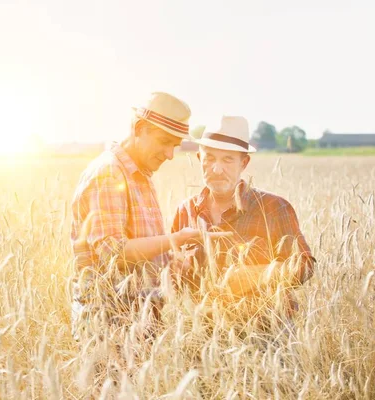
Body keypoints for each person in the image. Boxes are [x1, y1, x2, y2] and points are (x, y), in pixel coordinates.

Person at [70, 92, 200, 343]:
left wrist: (171, 261)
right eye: (165, 142)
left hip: (140, 317)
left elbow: (140, 248)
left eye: (175, 146)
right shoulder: (109, 173)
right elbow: (114, 253)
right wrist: (173, 239)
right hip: (109, 324)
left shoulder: (140, 175)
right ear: (139, 128)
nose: (170, 154)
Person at [171, 116, 315, 326]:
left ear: (244, 163)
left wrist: (256, 275)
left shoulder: (274, 208)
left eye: (227, 160)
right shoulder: (185, 211)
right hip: (201, 336)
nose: (217, 169)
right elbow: (171, 272)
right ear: (198, 157)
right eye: (209, 158)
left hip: (265, 335)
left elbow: (305, 266)